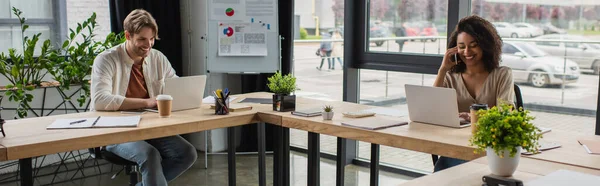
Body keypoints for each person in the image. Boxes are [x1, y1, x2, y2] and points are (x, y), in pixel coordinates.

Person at [91, 9, 197, 186]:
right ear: (127, 35)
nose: (148, 44)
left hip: (150, 126)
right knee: (150, 155)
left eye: (152, 39)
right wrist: (147, 102)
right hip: (114, 131)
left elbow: (177, 86)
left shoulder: (157, 58)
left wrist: (192, 95)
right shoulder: (106, 60)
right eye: (141, 39)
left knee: (187, 153)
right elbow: (100, 100)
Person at [432, 15, 514, 172]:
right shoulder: (451, 76)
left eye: (473, 45)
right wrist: (442, 70)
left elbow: (506, 113)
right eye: (461, 46)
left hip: (491, 149)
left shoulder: (502, 74)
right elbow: (432, 109)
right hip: (457, 146)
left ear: (485, 46)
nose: (467, 51)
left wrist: (477, 117)